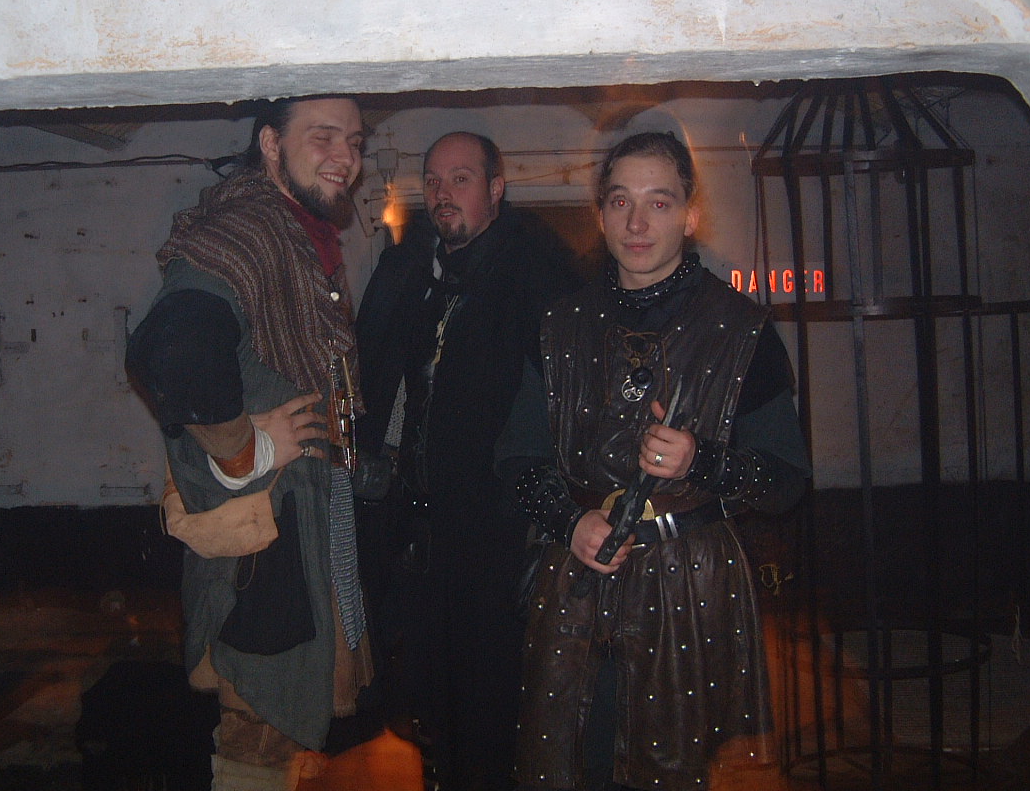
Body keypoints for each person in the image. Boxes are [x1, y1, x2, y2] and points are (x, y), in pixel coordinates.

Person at [511, 131, 810, 791]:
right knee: (574, 764)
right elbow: (519, 458)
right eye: (620, 201)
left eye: (659, 202)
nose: (637, 223)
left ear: (690, 215)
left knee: (680, 772)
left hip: (693, 589)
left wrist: (702, 461)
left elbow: (786, 480)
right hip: (575, 583)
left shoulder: (742, 329)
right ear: (600, 215)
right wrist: (569, 521)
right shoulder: (558, 324)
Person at [125, 95, 373, 791]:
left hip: (304, 535)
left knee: (286, 749)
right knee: (255, 742)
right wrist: (249, 450)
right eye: (323, 137)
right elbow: (172, 353)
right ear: (270, 144)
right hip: (265, 556)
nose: (346, 158)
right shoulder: (246, 232)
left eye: (355, 142)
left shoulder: (297, 238)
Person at [355, 131, 579, 791]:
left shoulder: (535, 275)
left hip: (496, 536)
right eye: (433, 180)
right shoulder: (407, 273)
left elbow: (562, 407)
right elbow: (379, 383)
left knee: (493, 707)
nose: (443, 193)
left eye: (461, 179)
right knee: (424, 702)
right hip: (416, 533)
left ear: (496, 189)